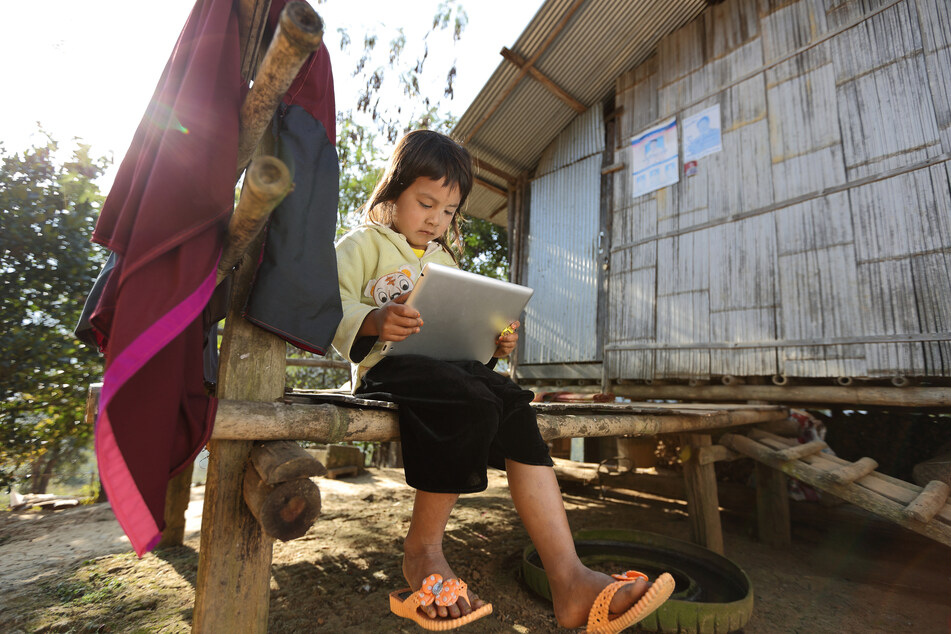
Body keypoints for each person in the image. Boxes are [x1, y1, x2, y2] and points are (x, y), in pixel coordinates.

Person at [332, 129, 674, 632]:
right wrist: (373, 320)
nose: (435, 219)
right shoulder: (361, 245)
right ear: (394, 189)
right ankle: (421, 552)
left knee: (513, 401)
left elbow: (461, 331)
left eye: (448, 211)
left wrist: (493, 344)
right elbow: (327, 310)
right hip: (386, 370)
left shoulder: (446, 261)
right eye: (425, 202)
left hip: (448, 371)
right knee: (465, 397)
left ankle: (570, 579)